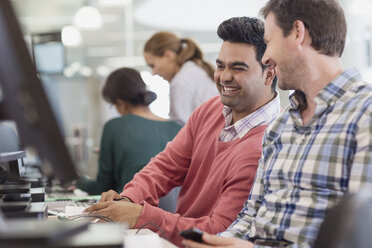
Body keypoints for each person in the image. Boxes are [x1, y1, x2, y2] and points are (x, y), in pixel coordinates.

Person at [183, 1, 372, 248]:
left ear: (297, 33)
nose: (266, 57)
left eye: (269, 42)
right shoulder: (280, 126)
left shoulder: (364, 115)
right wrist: (217, 242)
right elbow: (250, 216)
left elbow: (358, 239)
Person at [85, 17, 280, 246]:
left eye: (238, 68)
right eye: (220, 65)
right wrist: (128, 198)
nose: (224, 76)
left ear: (269, 73)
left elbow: (218, 233)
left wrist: (140, 215)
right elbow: (165, 167)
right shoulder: (211, 110)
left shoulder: (265, 145)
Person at [75, 67, 182, 200]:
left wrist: (77, 181)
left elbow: (102, 187)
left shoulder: (114, 127)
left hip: (131, 212)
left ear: (120, 102)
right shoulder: (178, 128)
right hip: (174, 216)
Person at [143, 31, 219, 125]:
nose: (153, 73)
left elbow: (179, 130)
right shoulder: (196, 69)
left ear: (168, 55)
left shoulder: (180, 82)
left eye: (152, 65)